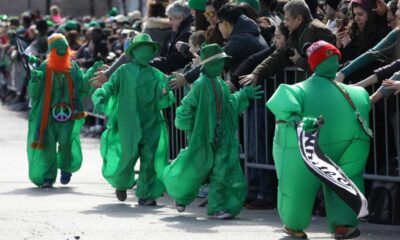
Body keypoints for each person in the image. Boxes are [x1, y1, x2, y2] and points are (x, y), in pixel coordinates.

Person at [266, 41, 371, 239]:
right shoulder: (358, 94)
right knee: (347, 180)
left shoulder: (297, 90)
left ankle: (294, 225)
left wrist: (296, 120)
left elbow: (281, 102)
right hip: (351, 144)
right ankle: (344, 224)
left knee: (296, 185)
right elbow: (365, 105)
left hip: (310, 145)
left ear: (313, 63)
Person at [160, 43, 263, 219]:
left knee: (222, 170)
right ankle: (181, 195)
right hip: (202, 137)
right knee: (195, 170)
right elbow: (186, 106)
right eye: (218, 62)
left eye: (222, 62)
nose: (221, 66)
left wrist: (242, 95)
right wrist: (190, 128)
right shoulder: (200, 85)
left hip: (223, 137)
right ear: (207, 64)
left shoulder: (221, 84)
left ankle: (218, 207)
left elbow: (229, 105)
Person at [92, 33, 174, 204]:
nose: (145, 53)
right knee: (128, 156)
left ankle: (145, 194)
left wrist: (166, 89)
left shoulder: (156, 74)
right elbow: (110, 86)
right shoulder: (122, 71)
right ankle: (122, 183)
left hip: (151, 122)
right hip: (128, 122)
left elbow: (165, 97)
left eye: (148, 50)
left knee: (149, 158)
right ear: (134, 52)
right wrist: (101, 95)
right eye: (142, 49)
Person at [27, 33, 94, 188]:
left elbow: (82, 88)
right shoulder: (44, 67)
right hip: (48, 115)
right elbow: (35, 94)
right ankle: (49, 177)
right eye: (59, 49)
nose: (63, 51)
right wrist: (35, 80)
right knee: (48, 145)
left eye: (65, 48)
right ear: (52, 50)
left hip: (68, 115)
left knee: (66, 143)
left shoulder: (73, 67)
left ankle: (65, 168)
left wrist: (91, 72)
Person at [239, 0, 335, 86]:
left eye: (287, 19)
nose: (285, 23)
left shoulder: (319, 31)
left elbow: (326, 66)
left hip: (324, 88)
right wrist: (256, 74)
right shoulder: (296, 32)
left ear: (299, 19)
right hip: (310, 87)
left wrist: (299, 61)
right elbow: (278, 56)